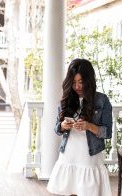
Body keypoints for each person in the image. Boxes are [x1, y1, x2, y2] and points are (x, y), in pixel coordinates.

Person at [47, 58, 112, 196]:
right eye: (74, 82)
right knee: (70, 191)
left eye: (81, 82)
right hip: (69, 154)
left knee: (88, 191)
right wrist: (63, 126)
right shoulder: (67, 99)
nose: (77, 87)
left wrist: (89, 126)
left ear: (89, 81)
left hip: (89, 156)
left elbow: (107, 132)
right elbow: (57, 129)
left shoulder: (102, 100)